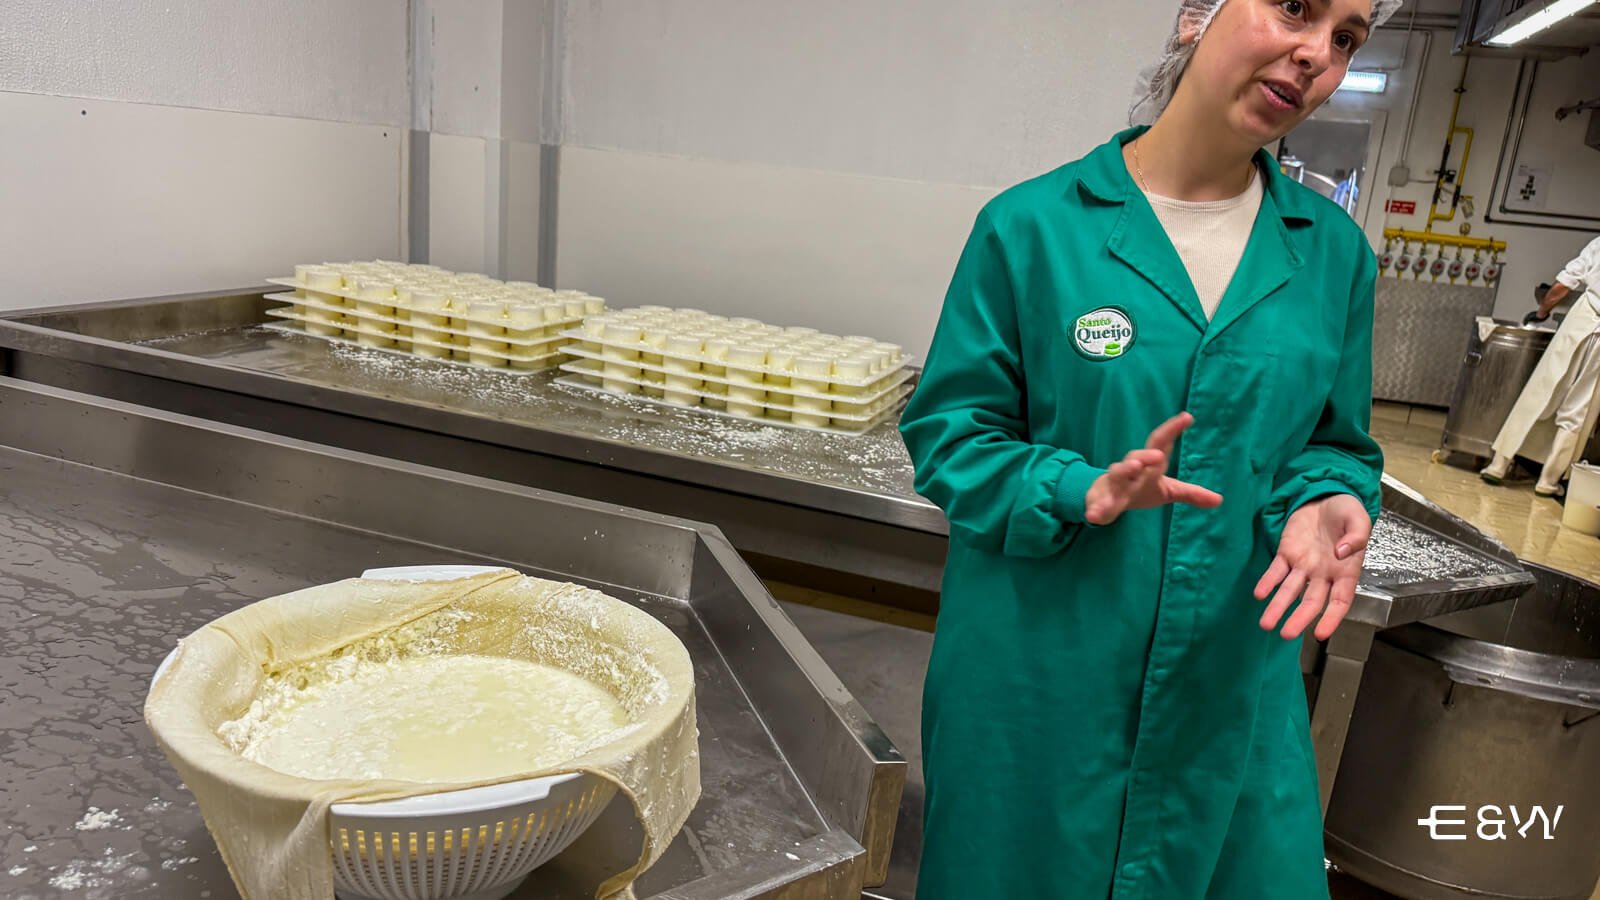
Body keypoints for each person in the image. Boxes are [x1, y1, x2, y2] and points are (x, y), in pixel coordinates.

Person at [897, 0, 1399, 896]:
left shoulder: (1333, 257)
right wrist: (1072, 486)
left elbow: (1333, 442)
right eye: (1296, 8)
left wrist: (1326, 493)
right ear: (1195, 15)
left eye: (1348, 37)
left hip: (1227, 683)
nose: (1318, 53)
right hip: (1040, 680)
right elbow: (950, 431)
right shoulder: (1033, 227)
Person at [1479, 234, 1600, 496]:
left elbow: (1562, 286)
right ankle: (1548, 482)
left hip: (1582, 319)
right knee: (1578, 409)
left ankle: (1498, 465)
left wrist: (1542, 312)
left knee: (1540, 390)